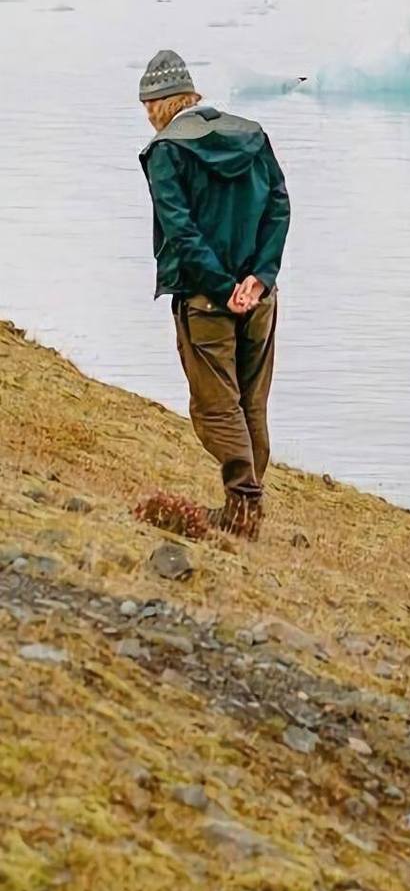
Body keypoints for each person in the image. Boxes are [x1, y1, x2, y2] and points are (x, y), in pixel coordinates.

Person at [138, 47, 291, 535]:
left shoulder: (167, 151)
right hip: (259, 298)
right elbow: (279, 206)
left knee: (214, 406)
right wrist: (260, 277)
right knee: (251, 402)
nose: (146, 117)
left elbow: (180, 232)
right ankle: (245, 506)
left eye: (147, 107)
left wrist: (224, 288)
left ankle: (243, 507)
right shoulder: (251, 134)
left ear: (162, 103)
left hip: (207, 300)